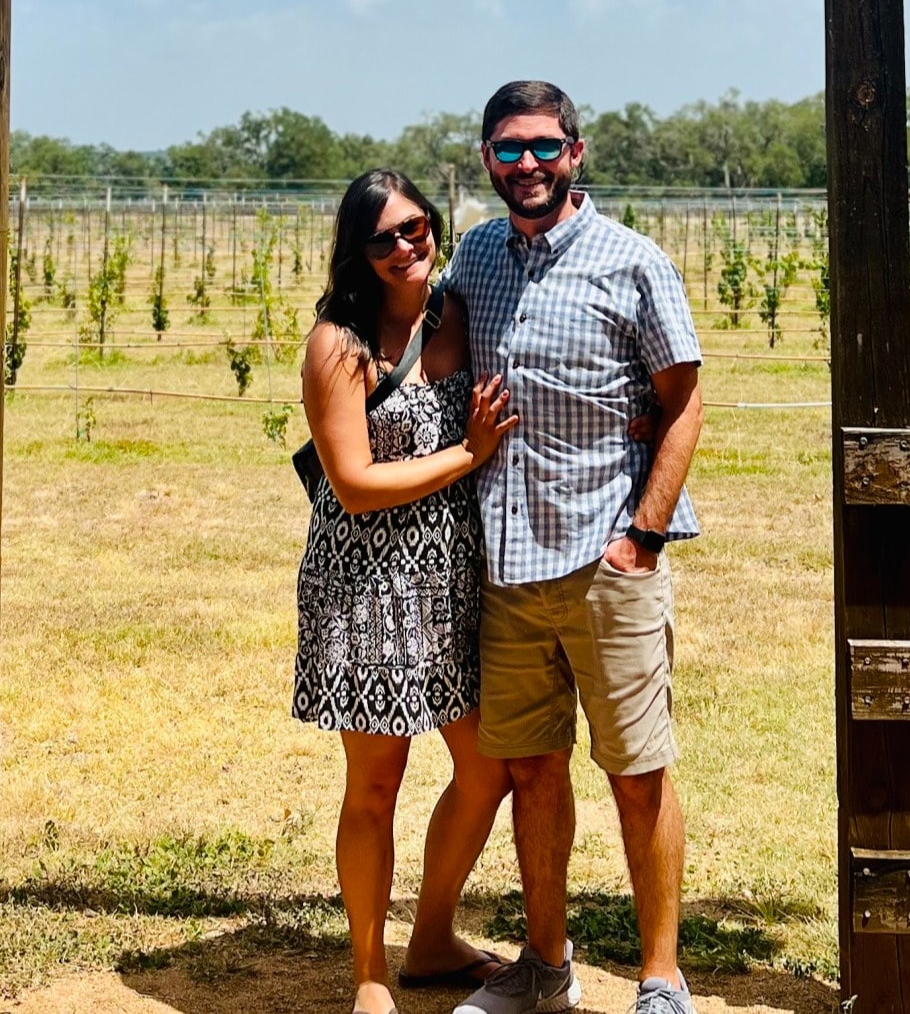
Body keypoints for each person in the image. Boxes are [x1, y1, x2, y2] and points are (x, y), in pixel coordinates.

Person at [443, 81, 706, 1014]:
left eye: (543, 147)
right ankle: (545, 968)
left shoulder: (633, 263)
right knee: (530, 773)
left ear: (577, 152)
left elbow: (683, 403)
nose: (528, 166)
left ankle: (661, 975)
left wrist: (643, 534)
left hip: (605, 561)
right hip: (505, 568)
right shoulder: (473, 258)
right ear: (487, 160)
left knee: (638, 772)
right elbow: (421, 351)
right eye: (508, 150)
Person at [294, 169, 521, 1014]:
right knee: (375, 784)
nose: (404, 246)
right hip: (364, 586)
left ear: (435, 225)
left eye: (415, 226)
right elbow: (352, 483)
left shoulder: (459, 313)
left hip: (453, 581)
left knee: (488, 766)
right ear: (358, 251)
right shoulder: (338, 343)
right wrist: (468, 456)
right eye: (384, 236)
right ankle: (367, 972)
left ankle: (430, 937)